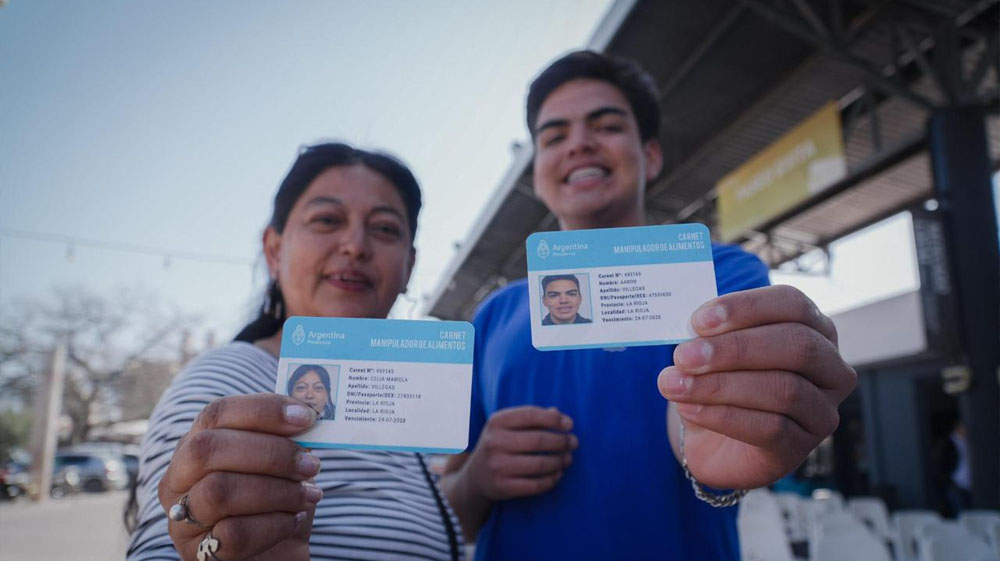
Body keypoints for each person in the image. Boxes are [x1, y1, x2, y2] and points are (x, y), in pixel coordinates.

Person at [441, 51, 857, 560]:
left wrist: (718, 438)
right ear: (538, 173)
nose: (578, 144)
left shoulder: (718, 274)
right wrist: (478, 478)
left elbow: (696, 424)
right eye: (553, 137)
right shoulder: (493, 315)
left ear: (651, 155)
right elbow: (451, 511)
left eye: (607, 126)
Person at [126, 143, 463, 561]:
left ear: (409, 266)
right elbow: (169, 543)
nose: (355, 245)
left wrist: (477, 483)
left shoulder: (404, 404)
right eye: (327, 220)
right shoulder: (229, 378)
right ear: (274, 250)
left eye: (384, 228)